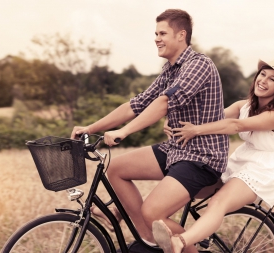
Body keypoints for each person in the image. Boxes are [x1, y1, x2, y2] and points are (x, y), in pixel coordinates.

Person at [71, 9, 229, 251]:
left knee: (153, 212)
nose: (156, 38)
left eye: (162, 33)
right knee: (116, 169)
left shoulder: (199, 65)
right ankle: (149, 238)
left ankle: (169, 240)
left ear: (181, 35)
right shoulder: (170, 70)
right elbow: (135, 105)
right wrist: (89, 128)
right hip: (176, 149)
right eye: (155, 33)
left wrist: (124, 132)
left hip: (202, 157)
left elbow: (165, 102)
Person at [152, 57, 274, 253]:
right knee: (192, 187)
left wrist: (196, 131)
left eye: (272, 79)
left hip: (263, 169)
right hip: (243, 159)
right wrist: (174, 120)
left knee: (219, 202)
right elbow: (208, 117)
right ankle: (198, 233)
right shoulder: (243, 106)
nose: (264, 80)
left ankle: (181, 242)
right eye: (263, 74)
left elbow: (235, 126)